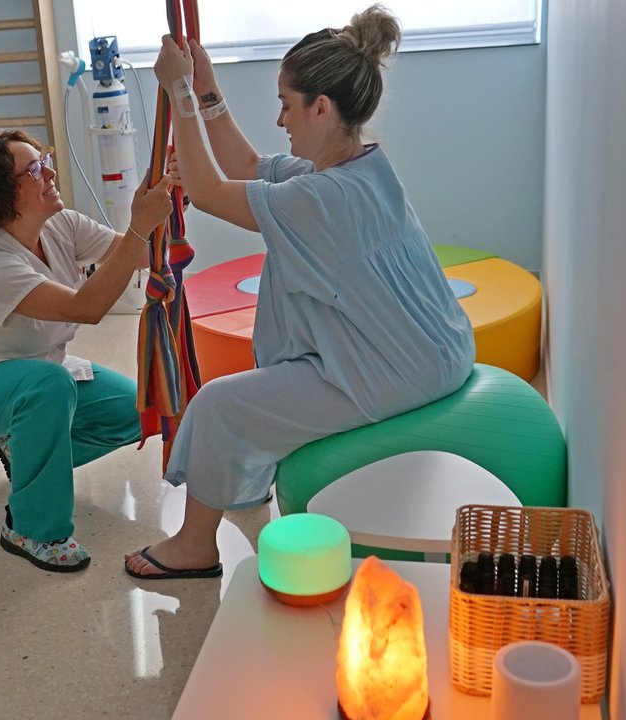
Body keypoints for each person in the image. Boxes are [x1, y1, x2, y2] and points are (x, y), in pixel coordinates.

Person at [124, 5, 475, 579]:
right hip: (435, 344)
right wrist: (207, 92)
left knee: (217, 404)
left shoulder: (325, 199)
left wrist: (181, 92)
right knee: (269, 371)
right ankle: (233, 490)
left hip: (408, 366)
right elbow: (246, 165)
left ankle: (194, 546)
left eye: (287, 105)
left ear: (321, 107)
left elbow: (213, 190)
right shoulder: (353, 168)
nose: (280, 119)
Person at [0, 129, 174, 573]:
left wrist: (163, 207)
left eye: (45, 160)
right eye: (35, 169)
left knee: (138, 410)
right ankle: (33, 528)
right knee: (48, 387)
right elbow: (88, 307)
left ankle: (26, 451)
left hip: (41, 374)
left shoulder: (61, 224)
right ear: (4, 193)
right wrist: (140, 223)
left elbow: (132, 255)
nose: (50, 173)